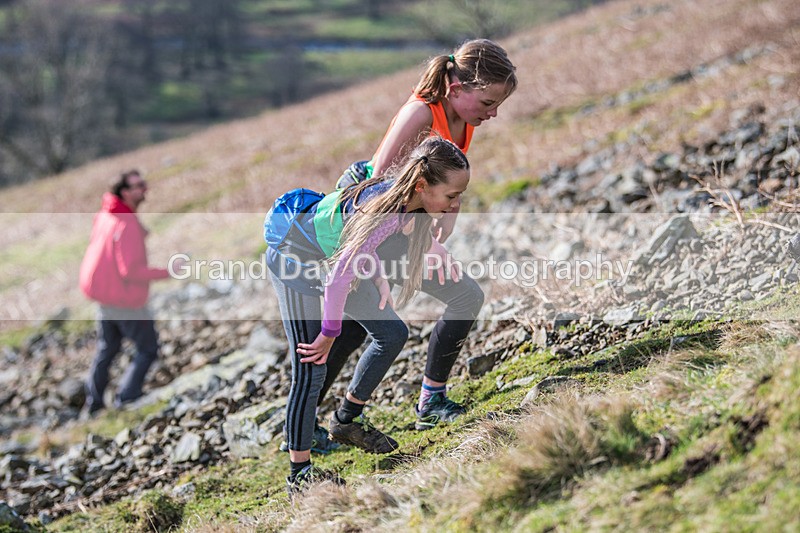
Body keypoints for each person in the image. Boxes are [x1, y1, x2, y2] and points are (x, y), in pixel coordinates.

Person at [308, 38, 516, 439]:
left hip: (401, 224)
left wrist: (450, 209)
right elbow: (377, 189)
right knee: (460, 297)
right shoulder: (421, 114)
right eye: (488, 102)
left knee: (358, 324)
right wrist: (424, 244)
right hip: (370, 222)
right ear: (457, 89)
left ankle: (315, 422)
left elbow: (442, 174)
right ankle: (423, 404)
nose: (493, 113)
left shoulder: (463, 118)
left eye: (498, 105)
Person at [265, 137, 472, 491]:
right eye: (452, 196)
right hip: (294, 262)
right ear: (422, 186)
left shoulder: (406, 203)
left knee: (392, 334)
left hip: (331, 260)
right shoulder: (384, 208)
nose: (456, 204)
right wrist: (328, 333)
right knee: (311, 366)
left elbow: (361, 243)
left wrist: (380, 273)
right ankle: (299, 476)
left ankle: (347, 419)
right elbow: (339, 277)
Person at [79, 170, 177, 416]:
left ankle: (93, 404)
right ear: (125, 192)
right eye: (139, 185)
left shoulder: (106, 216)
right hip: (124, 299)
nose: (145, 189)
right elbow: (130, 271)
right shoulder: (126, 223)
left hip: (104, 296)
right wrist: (168, 272)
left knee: (108, 348)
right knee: (148, 348)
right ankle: (127, 397)